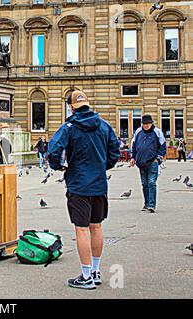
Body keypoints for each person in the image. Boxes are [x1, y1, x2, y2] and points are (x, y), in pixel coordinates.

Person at [48, 90, 120, 290]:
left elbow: (53, 151)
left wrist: (60, 166)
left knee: (81, 229)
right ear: (88, 104)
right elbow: (115, 151)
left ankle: (86, 276)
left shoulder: (69, 127)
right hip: (99, 184)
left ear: (72, 107)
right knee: (96, 226)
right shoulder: (104, 125)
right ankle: (96, 272)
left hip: (79, 184)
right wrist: (101, 166)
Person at [130, 114, 166, 213]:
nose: (146, 125)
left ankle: (151, 205)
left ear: (151, 123)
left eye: (148, 123)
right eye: (144, 123)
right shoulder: (138, 132)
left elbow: (163, 146)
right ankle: (146, 204)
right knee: (144, 184)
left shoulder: (157, 132)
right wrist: (133, 157)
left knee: (151, 182)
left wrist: (158, 158)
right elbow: (133, 145)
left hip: (153, 161)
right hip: (141, 161)